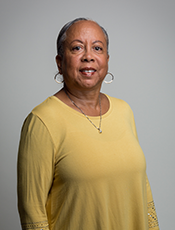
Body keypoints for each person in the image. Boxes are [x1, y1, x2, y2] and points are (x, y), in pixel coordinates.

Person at [17, 18, 159, 230]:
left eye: (97, 48)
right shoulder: (42, 121)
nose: (88, 57)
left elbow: (142, 188)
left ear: (107, 59)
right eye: (77, 48)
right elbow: (32, 211)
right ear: (60, 62)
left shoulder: (124, 111)